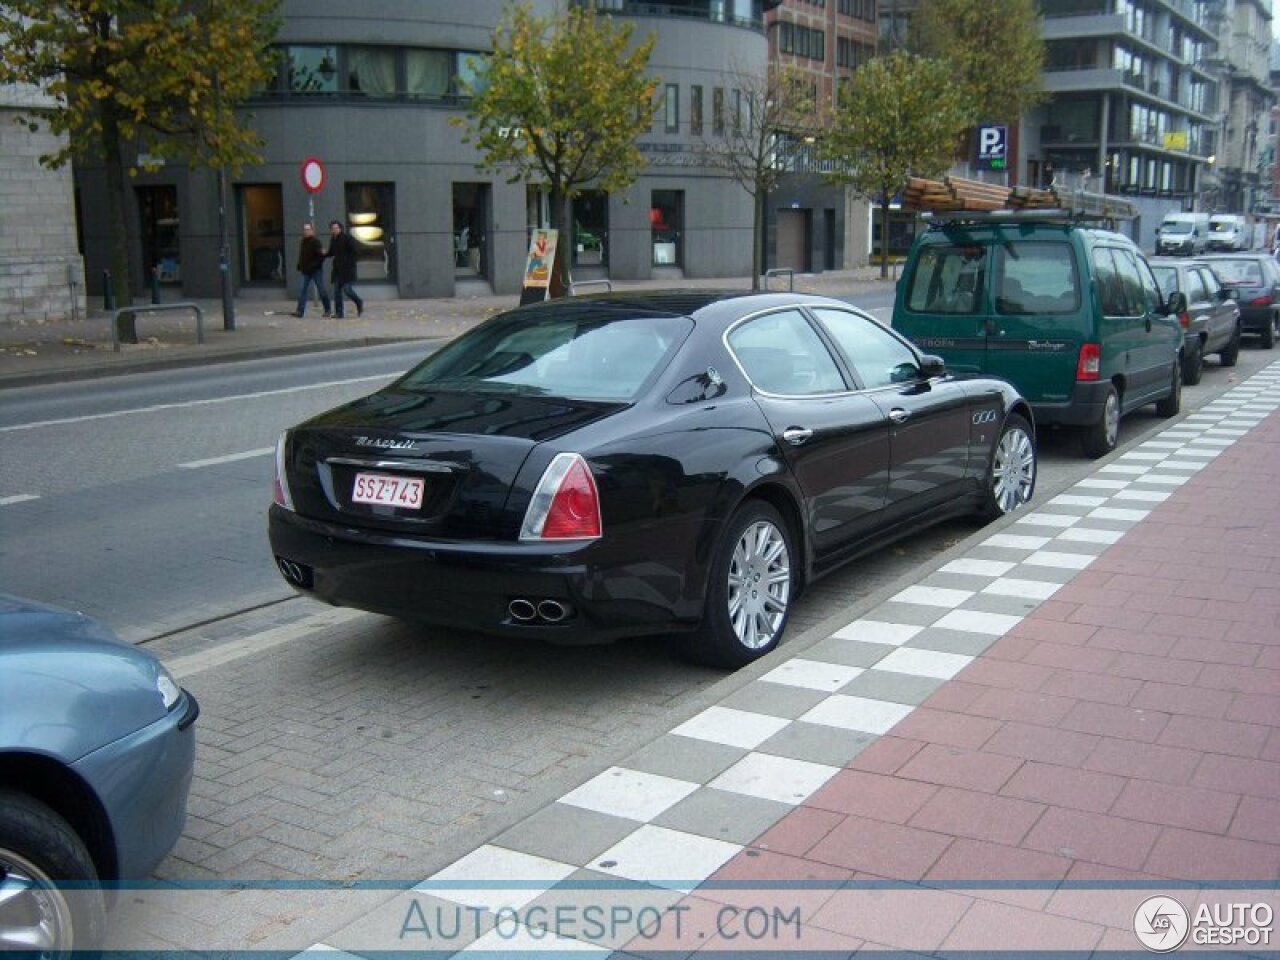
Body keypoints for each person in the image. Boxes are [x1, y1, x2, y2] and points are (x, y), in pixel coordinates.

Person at [326, 220, 364, 319]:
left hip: (348, 270)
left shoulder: (347, 238)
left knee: (347, 289)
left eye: (336, 228)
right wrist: (323, 254)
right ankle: (339, 313)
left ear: (340, 228)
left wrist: (350, 262)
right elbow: (331, 252)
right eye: (332, 229)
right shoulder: (333, 240)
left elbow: (355, 251)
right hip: (338, 269)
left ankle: (358, 301)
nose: (334, 230)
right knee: (337, 291)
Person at [293, 222, 331, 318]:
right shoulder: (303, 241)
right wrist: (300, 265)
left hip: (315, 270)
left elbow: (321, 256)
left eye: (308, 229)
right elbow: (303, 255)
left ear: (312, 231)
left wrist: (313, 265)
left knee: (321, 289)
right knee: (302, 290)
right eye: (305, 229)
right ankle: (300, 311)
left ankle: (328, 309)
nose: (306, 231)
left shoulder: (316, 242)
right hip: (305, 270)